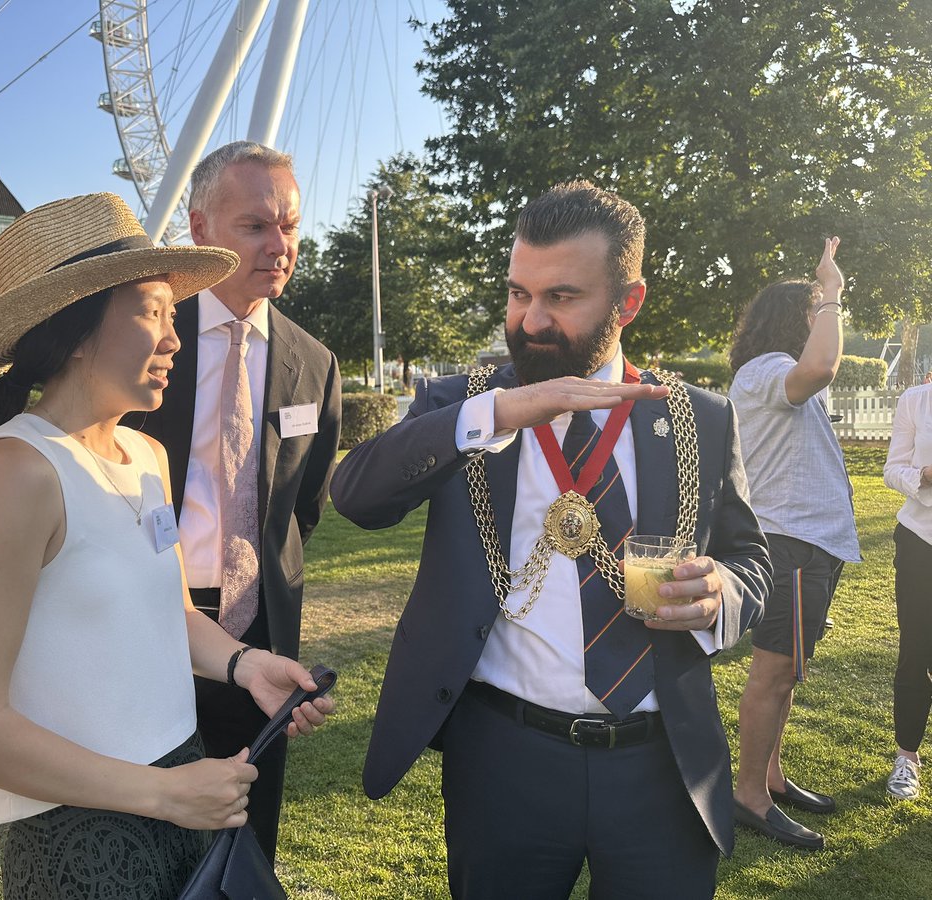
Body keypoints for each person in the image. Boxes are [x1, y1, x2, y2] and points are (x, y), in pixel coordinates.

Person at [330, 181, 770, 899]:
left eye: (560, 298)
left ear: (628, 303)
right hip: (505, 760)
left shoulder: (698, 418)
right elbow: (358, 496)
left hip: (662, 764)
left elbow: (752, 558)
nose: (529, 320)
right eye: (516, 293)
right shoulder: (462, 404)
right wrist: (498, 411)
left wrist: (723, 591)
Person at [0, 193, 333, 900]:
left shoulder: (145, 454)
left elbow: (169, 615)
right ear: (77, 329)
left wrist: (246, 665)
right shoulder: (11, 473)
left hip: (179, 792)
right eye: (153, 312)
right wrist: (162, 795)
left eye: (173, 315)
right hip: (80, 838)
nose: (176, 338)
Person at [132, 141, 341, 862]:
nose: (279, 246)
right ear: (199, 227)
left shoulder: (314, 362)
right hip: (148, 615)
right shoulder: (142, 342)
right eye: (256, 226)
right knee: (146, 825)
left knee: (246, 836)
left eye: (290, 226)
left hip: (262, 629)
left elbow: (302, 507)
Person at [729, 238, 861, 850]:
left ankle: (771, 776)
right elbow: (820, 366)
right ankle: (748, 796)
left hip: (812, 543)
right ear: (793, 319)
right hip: (790, 543)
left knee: (789, 669)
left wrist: (829, 301)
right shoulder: (764, 374)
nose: (824, 321)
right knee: (774, 671)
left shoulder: (776, 376)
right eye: (813, 313)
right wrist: (831, 292)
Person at [881, 382, 932, 799]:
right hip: (920, 542)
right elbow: (892, 469)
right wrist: (925, 475)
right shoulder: (915, 400)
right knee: (916, 651)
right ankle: (907, 758)